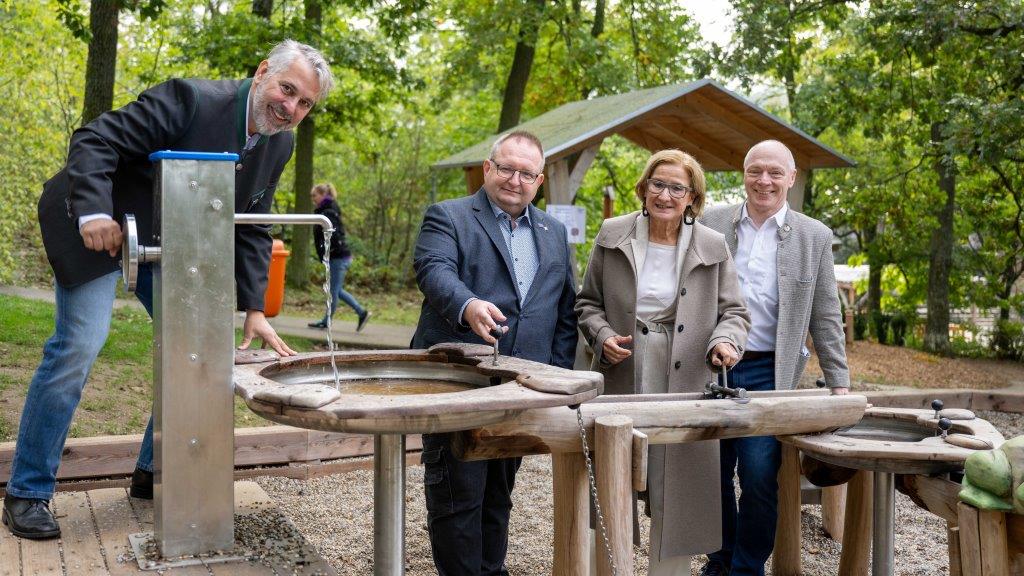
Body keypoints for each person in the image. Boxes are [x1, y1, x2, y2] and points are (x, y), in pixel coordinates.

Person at [3, 40, 334, 540]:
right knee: (78, 346)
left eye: (304, 103)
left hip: (169, 245)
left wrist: (255, 307)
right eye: (287, 90)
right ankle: (27, 491)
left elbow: (252, 223)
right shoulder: (191, 100)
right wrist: (95, 212)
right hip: (100, 227)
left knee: (198, 350)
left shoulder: (278, 143)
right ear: (263, 71)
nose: (290, 108)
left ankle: (151, 472)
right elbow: (95, 139)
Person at [575, 149, 750, 575]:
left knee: (679, 485)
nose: (665, 195)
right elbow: (587, 303)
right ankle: (610, 567)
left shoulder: (713, 244)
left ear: (692, 197)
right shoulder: (612, 233)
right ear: (644, 187)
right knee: (615, 472)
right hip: (623, 365)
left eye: (677, 187)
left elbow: (735, 313)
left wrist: (725, 341)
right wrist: (601, 336)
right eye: (658, 184)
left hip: (687, 370)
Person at [411, 130, 577, 575]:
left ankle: (491, 568)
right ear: (488, 168)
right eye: (506, 168)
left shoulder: (555, 232)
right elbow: (433, 270)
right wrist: (468, 305)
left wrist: (555, 381)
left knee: (500, 488)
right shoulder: (449, 216)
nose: (514, 180)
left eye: (526, 173)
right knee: (457, 491)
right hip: (457, 382)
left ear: (539, 181)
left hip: (521, 389)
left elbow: (565, 311)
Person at [700, 140, 850, 576]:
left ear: (791, 177)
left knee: (761, 473)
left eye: (774, 173)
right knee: (713, 468)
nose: (763, 181)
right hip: (713, 363)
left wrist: (839, 382)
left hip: (771, 369)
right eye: (755, 171)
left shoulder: (814, 236)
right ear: (743, 173)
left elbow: (826, 314)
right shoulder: (711, 224)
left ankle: (747, 568)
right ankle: (719, 560)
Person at [307, 183, 371, 332]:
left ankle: (326, 321)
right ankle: (362, 313)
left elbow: (334, 234)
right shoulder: (327, 209)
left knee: (333, 292)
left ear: (323, 195)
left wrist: (329, 251)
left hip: (338, 257)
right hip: (338, 256)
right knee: (337, 290)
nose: (312, 199)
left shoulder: (328, 211)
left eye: (314, 195)